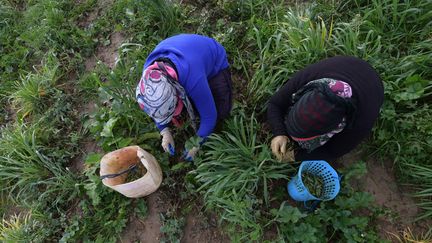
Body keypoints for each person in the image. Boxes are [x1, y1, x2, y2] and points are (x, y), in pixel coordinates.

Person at [267, 56, 384, 162]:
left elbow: (333, 151)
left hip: (373, 87)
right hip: (346, 62)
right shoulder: (309, 78)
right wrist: (279, 133)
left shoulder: (360, 121)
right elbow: (275, 103)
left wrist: (295, 156)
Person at [136, 34, 232, 161]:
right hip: (185, 52)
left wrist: (197, 142)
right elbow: (154, 107)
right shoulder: (149, 77)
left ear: (176, 93)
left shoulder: (193, 79)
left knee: (221, 110)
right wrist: (164, 131)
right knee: (194, 104)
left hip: (214, 61)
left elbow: (209, 117)